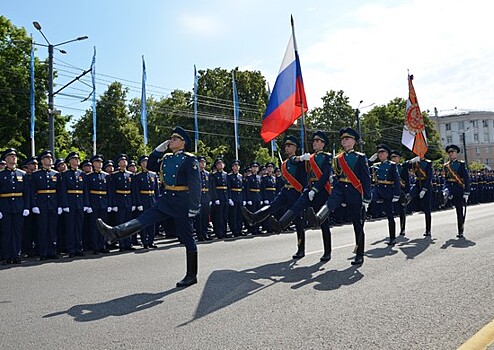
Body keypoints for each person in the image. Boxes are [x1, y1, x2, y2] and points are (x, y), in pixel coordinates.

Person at [97, 126, 201, 288]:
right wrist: (159, 149)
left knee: (187, 237)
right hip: (167, 199)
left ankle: (191, 274)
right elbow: (151, 165)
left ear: (183, 143)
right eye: (171, 138)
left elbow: (196, 184)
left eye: (174, 139)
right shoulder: (166, 158)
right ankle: (115, 233)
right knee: (145, 218)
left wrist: (194, 206)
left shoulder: (189, 159)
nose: (171, 141)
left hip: (182, 201)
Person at [306, 127, 371, 265]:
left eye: (347, 139)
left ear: (353, 141)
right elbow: (336, 176)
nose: (344, 141)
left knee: (357, 223)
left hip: (354, 190)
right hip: (340, 188)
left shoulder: (360, 157)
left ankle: (359, 253)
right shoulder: (338, 158)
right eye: (342, 139)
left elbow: (366, 179)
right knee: (329, 203)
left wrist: (367, 198)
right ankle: (318, 218)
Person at [270, 131, 334, 261]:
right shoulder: (309, 158)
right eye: (314, 141)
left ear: (323, 144)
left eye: (318, 141)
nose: (315, 143)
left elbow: (325, 176)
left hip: (321, 191)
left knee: (323, 223)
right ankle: (281, 225)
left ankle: (327, 251)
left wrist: (315, 190)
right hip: (308, 189)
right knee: (296, 208)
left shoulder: (327, 157)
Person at [242, 135, 308, 259]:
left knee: (298, 221)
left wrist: (304, 158)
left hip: (296, 192)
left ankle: (301, 248)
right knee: (272, 206)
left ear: (295, 147)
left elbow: (300, 166)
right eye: (286, 146)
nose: (286, 148)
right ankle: (254, 217)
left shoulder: (301, 161)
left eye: (289, 146)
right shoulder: (285, 163)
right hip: (285, 191)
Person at [30, 150, 62, 260]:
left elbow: (60, 191)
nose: (50, 160)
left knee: (52, 229)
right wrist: (34, 205)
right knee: (43, 229)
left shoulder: (56, 174)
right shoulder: (36, 174)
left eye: (51, 158)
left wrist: (60, 206)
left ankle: (52, 251)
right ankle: (43, 252)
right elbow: (32, 191)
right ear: (43, 161)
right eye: (47, 158)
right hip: (41, 204)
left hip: (53, 203)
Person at [0, 148, 30, 264]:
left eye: (15, 156)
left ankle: (16, 254)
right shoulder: (1, 175)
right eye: (11, 156)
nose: (14, 157)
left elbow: (27, 193)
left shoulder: (22, 174)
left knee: (17, 232)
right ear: (6, 159)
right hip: (5, 207)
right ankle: (7, 256)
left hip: (19, 206)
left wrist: (26, 207)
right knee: (6, 232)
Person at [368, 144, 400, 245]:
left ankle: (392, 237)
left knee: (390, 215)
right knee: (367, 200)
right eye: (379, 153)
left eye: (382, 153)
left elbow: (396, 180)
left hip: (388, 190)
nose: (380, 154)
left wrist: (397, 194)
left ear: (387, 154)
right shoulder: (375, 165)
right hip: (377, 189)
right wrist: (369, 160)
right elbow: (363, 168)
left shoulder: (392, 165)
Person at [60, 152, 88, 257]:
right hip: (70, 203)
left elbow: (85, 190)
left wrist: (86, 204)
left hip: (80, 203)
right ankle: (71, 248)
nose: (77, 161)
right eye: (74, 159)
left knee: (78, 227)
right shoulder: (65, 174)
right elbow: (63, 191)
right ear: (70, 161)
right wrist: (65, 205)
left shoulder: (82, 174)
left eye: (77, 159)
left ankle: (78, 247)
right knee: (70, 227)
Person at [443, 144, 470, 237]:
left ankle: (460, 230)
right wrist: (446, 190)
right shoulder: (446, 166)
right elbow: (446, 179)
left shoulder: (461, 164)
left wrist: (467, 192)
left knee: (459, 210)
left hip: (459, 189)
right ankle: (444, 198)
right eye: (449, 152)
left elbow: (466, 179)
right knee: (443, 196)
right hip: (450, 188)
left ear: (456, 153)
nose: (450, 154)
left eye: (452, 152)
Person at [109, 154, 135, 251]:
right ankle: (122, 244)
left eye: (125, 161)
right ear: (119, 163)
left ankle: (128, 243)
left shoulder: (130, 175)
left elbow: (133, 190)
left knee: (128, 223)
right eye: (121, 161)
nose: (124, 162)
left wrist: (133, 203)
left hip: (128, 200)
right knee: (120, 223)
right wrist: (114, 204)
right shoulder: (115, 175)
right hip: (119, 201)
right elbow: (112, 191)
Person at [133, 155, 159, 248]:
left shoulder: (153, 175)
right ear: (141, 164)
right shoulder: (138, 176)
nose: (145, 164)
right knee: (143, 222)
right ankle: (144, 241)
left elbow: (156, 190)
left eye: (147, 162)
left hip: (152, 200)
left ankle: (151, 241)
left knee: (152, 222)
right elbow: (136, 191)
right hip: (143, 201)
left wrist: (157, 202)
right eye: (143, 162)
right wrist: (138, 203)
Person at [406, 152, 433, 237]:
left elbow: (429, 177)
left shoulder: (428, 163)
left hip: (426, 185)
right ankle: (407, 199)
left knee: (427, 209)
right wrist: (411, 161)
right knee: (410, 193)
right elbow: (404, 166)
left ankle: (428, 230)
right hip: (418, 182)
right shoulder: (415, 162)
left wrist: (424, 189)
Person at [389, 150, 411, 236]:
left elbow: (407, 180)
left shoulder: (402, 167)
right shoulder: (390, 167)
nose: (393, 159)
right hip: (391, 190)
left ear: (399, 158)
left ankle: (402, 228)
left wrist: (407, 192)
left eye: (395, 157)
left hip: (401, 190)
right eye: (392, 157)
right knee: (391, 210)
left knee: (402, 210)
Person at [194, 156, 212, 241]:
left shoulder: (207, 174)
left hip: (206, 197)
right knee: (199, 218)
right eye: (201, 162)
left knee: (205, 217)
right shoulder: (195, 173)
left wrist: (211, 198)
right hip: (198, 197)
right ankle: (199, 234)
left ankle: (205, 233)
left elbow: (210, 187)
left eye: (204, 162)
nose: (203, 164)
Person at [210, 158, 229, 239]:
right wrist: (215, 198)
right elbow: (213, 188)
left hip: (225, 197)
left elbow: (228, 187)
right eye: (218, 164)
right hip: (219, 196)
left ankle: (224, 231)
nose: (220, 165)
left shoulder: (226, 175)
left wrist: (229, 198)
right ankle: (219, 232)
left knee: (224, 216)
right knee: (219, 217)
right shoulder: (214, 175)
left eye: (221, 164)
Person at [227, 159, 244, 237]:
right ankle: (234, 230)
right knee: (233, 215)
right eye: (235, 166)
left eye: (237, 166)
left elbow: (242, 188)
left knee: (239, 215)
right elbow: (229, 188)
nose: (236, 167)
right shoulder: (229, 176)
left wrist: (243, 198)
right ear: (232, 167)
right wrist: (230, 198)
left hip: (240, 197)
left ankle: (239, 229)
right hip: (233, 197)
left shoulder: (240, 176)